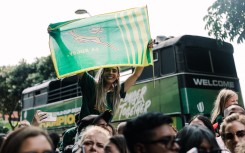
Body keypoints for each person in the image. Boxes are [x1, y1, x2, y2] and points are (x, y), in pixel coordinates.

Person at [78, 40, 153, 120]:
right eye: (107, 70)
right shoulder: (92, 85)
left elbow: (136, 74)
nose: (110, 73)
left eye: (114, 71)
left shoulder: (117, 91)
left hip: (104, 130)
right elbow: (79, 67)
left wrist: (147, 51)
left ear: (118, 76)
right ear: (102, 73)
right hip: (86, 129)